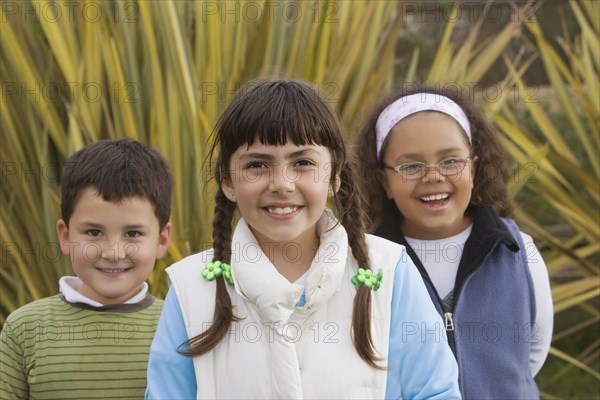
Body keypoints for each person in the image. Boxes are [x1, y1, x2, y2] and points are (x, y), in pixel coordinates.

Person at [146, 78, 460, 399]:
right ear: (227, 181)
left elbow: (435, 392)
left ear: (334, 176)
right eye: (257, 164)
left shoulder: (390, 273)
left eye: (303, 163)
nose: (282, 184)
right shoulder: (190, 288)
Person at [356, 86, 553, 399]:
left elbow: (532, 353)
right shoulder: (367, 262)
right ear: (385, 182)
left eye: (450, 161)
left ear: (473, 169)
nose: (433, 176)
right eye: (410, 166)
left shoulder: (518, 251)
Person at [0, 139, 173, 399]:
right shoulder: (24, 328)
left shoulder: (176, 327)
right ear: (65, 235)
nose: (113, 252)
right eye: (94, 232)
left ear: (161, 240)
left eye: (133, 233)